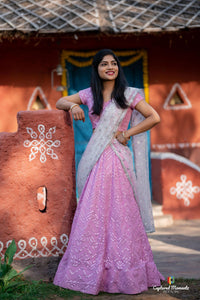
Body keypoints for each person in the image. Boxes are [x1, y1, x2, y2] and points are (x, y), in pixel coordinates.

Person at [53, 49, 165, 295]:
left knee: (121, 214)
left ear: (118, 68)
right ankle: (92, 271)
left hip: (118, 159)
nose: (110, 67)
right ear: (97, 69)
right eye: (104, 64)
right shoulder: (88, 95)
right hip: (96, 160)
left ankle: (125, 271)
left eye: (113, 63)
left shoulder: (128, 95)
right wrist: (73, 108)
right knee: (93, 212)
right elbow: (60, 101)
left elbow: (153, 117)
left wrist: (127, 134)